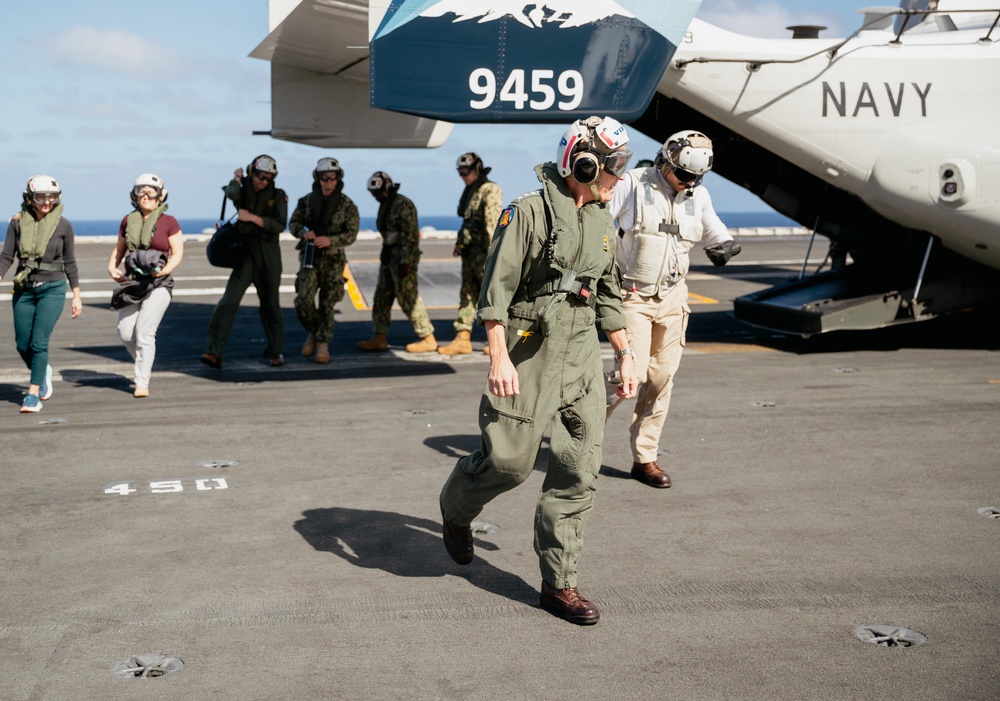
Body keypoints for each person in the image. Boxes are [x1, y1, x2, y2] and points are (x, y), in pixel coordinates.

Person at [438, 116, 639, 626]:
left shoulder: (601, 218)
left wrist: (624, 351)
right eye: (613, 167)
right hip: (530, 350)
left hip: (582, 356)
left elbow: (609, 293)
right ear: (583, 163)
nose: (619, 177)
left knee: (578, 470)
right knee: (509, 464)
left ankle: (559, 585)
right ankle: (457, 509)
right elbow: (496, 292)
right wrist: (498, 355)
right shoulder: (525, 213)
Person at [606, 130, 741, 488]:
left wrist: (724, 247)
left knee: (662, 378)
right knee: (625, 380)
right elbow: (598, 225)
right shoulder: (632, 184)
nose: (688, 183)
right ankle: (574, 440)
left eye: (696, 178)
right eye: (683, 175)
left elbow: (715, 233)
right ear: (665, 162)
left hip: (673, 297)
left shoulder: (698, 195)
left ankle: (645, 458)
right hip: (632, 296)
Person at [0, 175, 82, 413]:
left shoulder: (64, 225)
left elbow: (70, 261)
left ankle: (33, 394)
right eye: (41, 197)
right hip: (24, 288)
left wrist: (76, 295)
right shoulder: (16, 223)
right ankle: (42, 369)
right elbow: (7, 256)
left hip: (53, 289)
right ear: (30, 198)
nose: (47, 202)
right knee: (22, 344)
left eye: (52, 197)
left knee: (38, 342)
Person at [200, 155, 288, 369]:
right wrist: (237, 178)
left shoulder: (278, 196)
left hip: (268, 255)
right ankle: (214, 352)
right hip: (245, 254)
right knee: (228, 302)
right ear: (252, 172)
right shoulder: (243, 190)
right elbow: (231, 193)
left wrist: (253, 218)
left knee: (271, 306)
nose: (264, 181)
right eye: (260, 177)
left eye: (269, 178)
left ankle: (275, 352)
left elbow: (279, 224)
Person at [107, 174, 184, 398]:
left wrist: (165, 270)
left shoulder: (169, 222)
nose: (146, 195)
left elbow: (178, 253)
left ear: (160, 195)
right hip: (133, 283)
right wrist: (112, 268)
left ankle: (142, 381)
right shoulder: (127, 220)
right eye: (141, 190)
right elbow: (120, 249)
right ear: (134, 194)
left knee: (144, 333)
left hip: (159, 283)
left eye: (151, 190)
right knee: (125, 333)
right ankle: (144, 363)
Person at [357, 172, 437, 353]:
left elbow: (410, 236)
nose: (376, 197)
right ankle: (379, 337)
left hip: (402, 258)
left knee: (408, 298)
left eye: (378, 193)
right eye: (374, 194)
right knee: (381, 298)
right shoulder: (386, 204)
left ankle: (427, 337)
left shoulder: (403, 204)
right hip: (389, 258)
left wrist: (406, 262)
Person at [289, 158, 359, 363]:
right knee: (303, 300)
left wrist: (331, 240)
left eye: (332, 178)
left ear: (338, 178)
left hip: (333, 260)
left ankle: (322, 345)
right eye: (323, 178)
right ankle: (316, 331)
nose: (328, 182)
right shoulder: (306, 202)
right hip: (310, 258)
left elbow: (351, 234)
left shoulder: (347, 206)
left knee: (328, 304)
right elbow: (293, 224)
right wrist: (304, 233)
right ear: (317, 178)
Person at [437, 152, 503, 356]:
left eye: (466, 172)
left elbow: (492, 224)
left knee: (492, 297)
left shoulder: (489, 190)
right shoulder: (470, 191)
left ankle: (502, 342)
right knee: (466, 295)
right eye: (460, 172)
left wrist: (495, 256)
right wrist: (459, 242)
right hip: (470, 255)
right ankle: (462, 338)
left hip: (484, 256)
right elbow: (468, 221)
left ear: (477, 169)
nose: (463, 176)